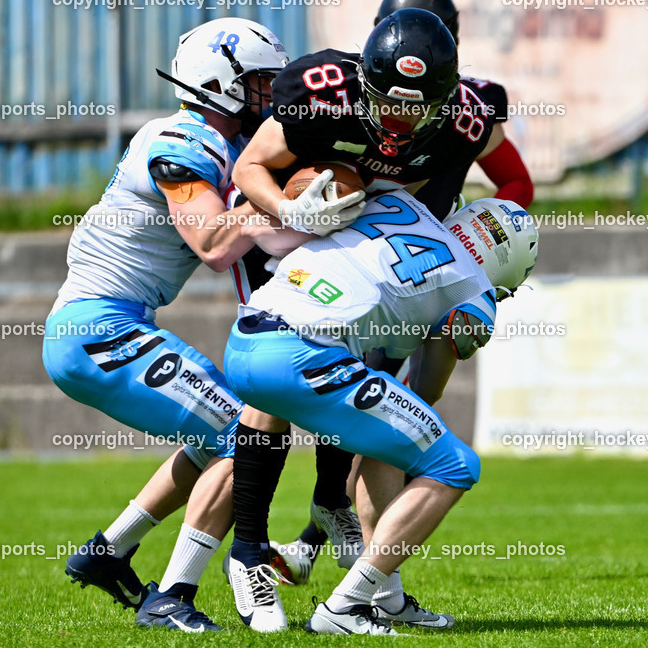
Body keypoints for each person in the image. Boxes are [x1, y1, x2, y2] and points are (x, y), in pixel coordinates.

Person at [42, 16, 360, 632]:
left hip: (112, 323)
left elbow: (257, 229)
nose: (274, 94)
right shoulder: (177, 141)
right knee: (240, 436)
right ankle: (171, 597)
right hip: (97, 329)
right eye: (263, 81)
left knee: (223, 425)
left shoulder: (226, 146)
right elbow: (215, 242)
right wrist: (284, 199)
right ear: (223, 83)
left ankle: (109, 552)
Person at [225, 7, 534, 630]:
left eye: (415, 108)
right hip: (293, 228)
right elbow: (248, 168)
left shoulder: (460, 127)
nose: (397, 120)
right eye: (385, 101)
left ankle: (358, 568)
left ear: (444, 102)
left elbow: (510, 182)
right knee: (420, 444)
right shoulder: (322, 95)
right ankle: (273, 562)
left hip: (293, 312)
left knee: (375, 419)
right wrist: (295, 208)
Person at [224, 192, 539, 634]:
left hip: (244, 339)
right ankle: (344, 607)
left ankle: (384, 596)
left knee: (390, 440)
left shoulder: (400, 200)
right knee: (454, 463)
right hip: (300, 359)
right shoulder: (475, 290)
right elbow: (426, 392)